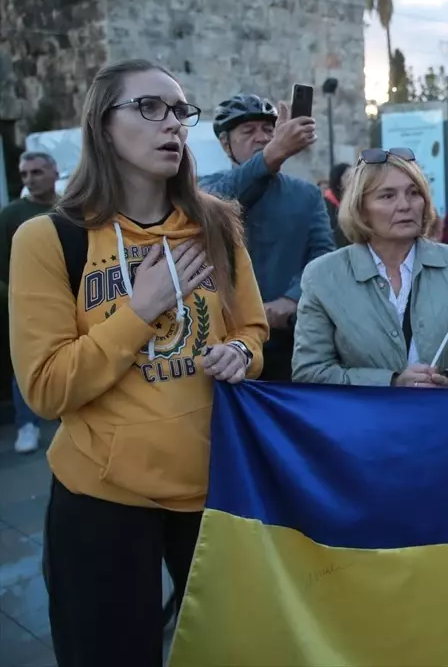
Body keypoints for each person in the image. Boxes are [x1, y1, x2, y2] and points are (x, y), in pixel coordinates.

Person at [8, 60, 268, 667]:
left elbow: (252, 330)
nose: (172, 123)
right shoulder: (50, 239)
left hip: (214, 492)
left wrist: (241, 354)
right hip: (100, 499)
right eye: (150, 107)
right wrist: (141, 309)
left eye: (179, 110)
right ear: (103, 125)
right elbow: (45, 388)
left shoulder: (215, 226)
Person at [292, 148, 448, 388]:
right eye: (387, 196)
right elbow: (309, 372)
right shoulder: (322, 276)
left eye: (414, 193)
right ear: (361, 209)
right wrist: (391, 383)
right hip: (367, 413)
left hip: (447, 410)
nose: (405, 205)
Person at [201, 93, 335, 381]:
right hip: (224, 349)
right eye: (248, 131)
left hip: (291, 343)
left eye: (268, 130)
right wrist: (272, 156)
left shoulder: (307, 194)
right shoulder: (207, 189)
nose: (262, 138)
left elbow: (322, 255)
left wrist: (292, 298)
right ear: (225, 144)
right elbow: (218, 202)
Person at [0, 151, 60, 454]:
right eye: (24, 174)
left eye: (36, 172)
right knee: (28, 362)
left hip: (70, 297)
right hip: (28, 302)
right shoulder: (11, 214)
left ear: (55, 173)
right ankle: (27, 425)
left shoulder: (72, 207)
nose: (29, 179)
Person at [323, 162, 352, 248]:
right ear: (338, 182)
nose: (354, 180)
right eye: (348, 176)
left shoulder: (357, 201)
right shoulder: (326, 206)